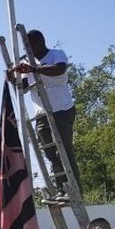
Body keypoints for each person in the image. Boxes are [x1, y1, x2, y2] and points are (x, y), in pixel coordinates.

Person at [15, 29, 80, 199]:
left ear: (39, 42)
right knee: (51, 153)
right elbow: (21, 85)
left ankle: (74, 188)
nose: (28, 49)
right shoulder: (28, 64)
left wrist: (34, 69)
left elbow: (59, 69)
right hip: (41, 113)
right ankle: (62, 188)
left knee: (63, 150)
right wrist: (11, 75)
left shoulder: (56, 55)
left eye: (29, 45)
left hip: (61, 109)